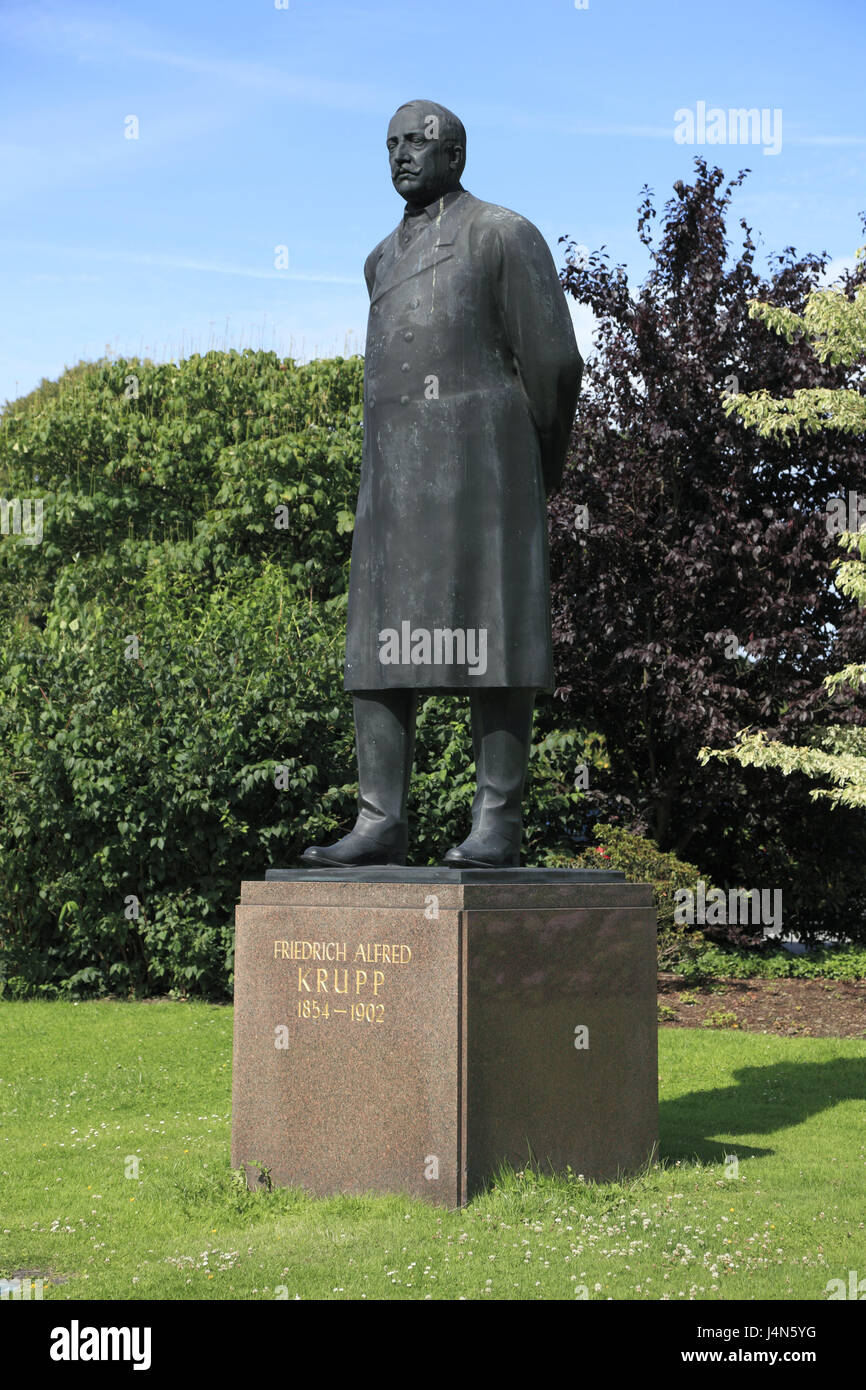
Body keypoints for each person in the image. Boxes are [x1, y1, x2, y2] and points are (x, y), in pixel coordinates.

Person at [302, 100, 582, 868]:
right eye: (390, 144)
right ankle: (379, 819)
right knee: (375, 643)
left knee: (494, 637)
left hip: (486, 467)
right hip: (394, 477)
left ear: (455, 154)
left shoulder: (502, 234)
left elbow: (554, 363)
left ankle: (498, 820)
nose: (401, 155)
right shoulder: (378, 261)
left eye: (417, 143)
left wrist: (531, 465)